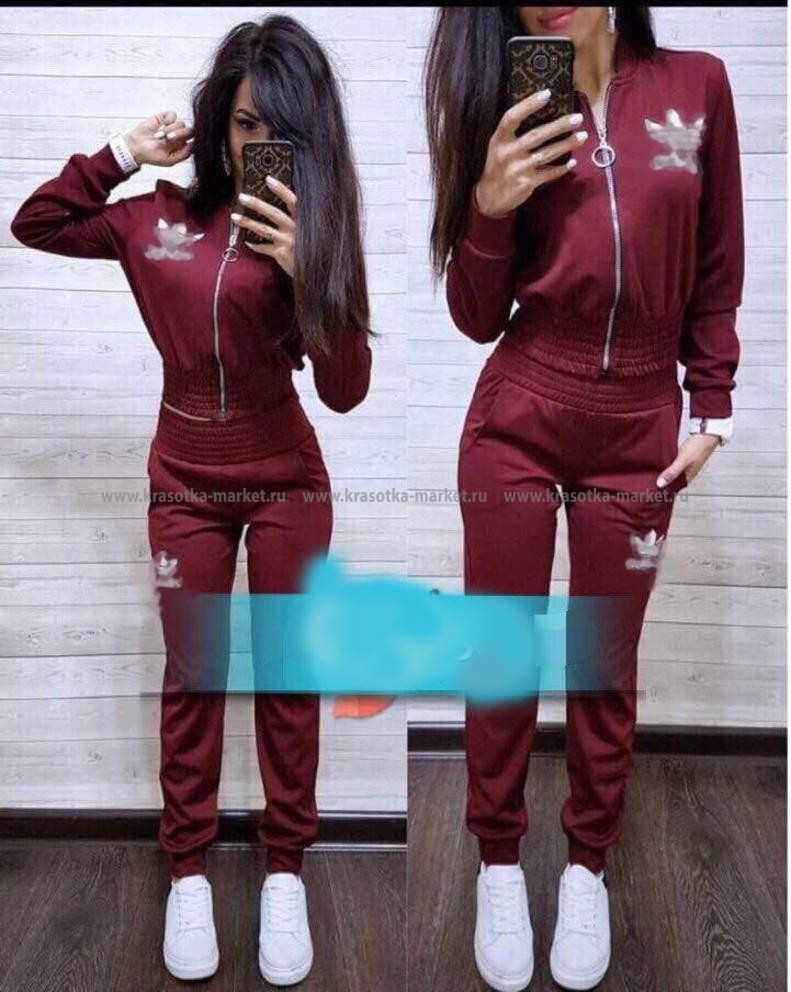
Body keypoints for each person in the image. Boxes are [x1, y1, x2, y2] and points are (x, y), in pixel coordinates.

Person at [11, 14, 372, 986]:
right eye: (246, 124)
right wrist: (123, 154)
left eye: (281, 131)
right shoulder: (154, 220)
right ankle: (187, 871)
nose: (259, 146)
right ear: (219, 122)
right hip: (184, 481)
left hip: (284, 477)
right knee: (195, 674)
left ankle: (285, 869)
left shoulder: (315, 232)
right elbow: (36, 222)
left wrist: (308, 272)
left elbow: (345, 391)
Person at [424, 6, 743, 990]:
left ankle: (586, 867)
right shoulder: (500, 100)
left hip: (640, 421)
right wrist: (488, 204)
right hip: (519, 409)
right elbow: (475, 316)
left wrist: (712, 400)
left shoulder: (696, 84)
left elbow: (718, 256)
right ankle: (497, 863)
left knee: (604, 662)